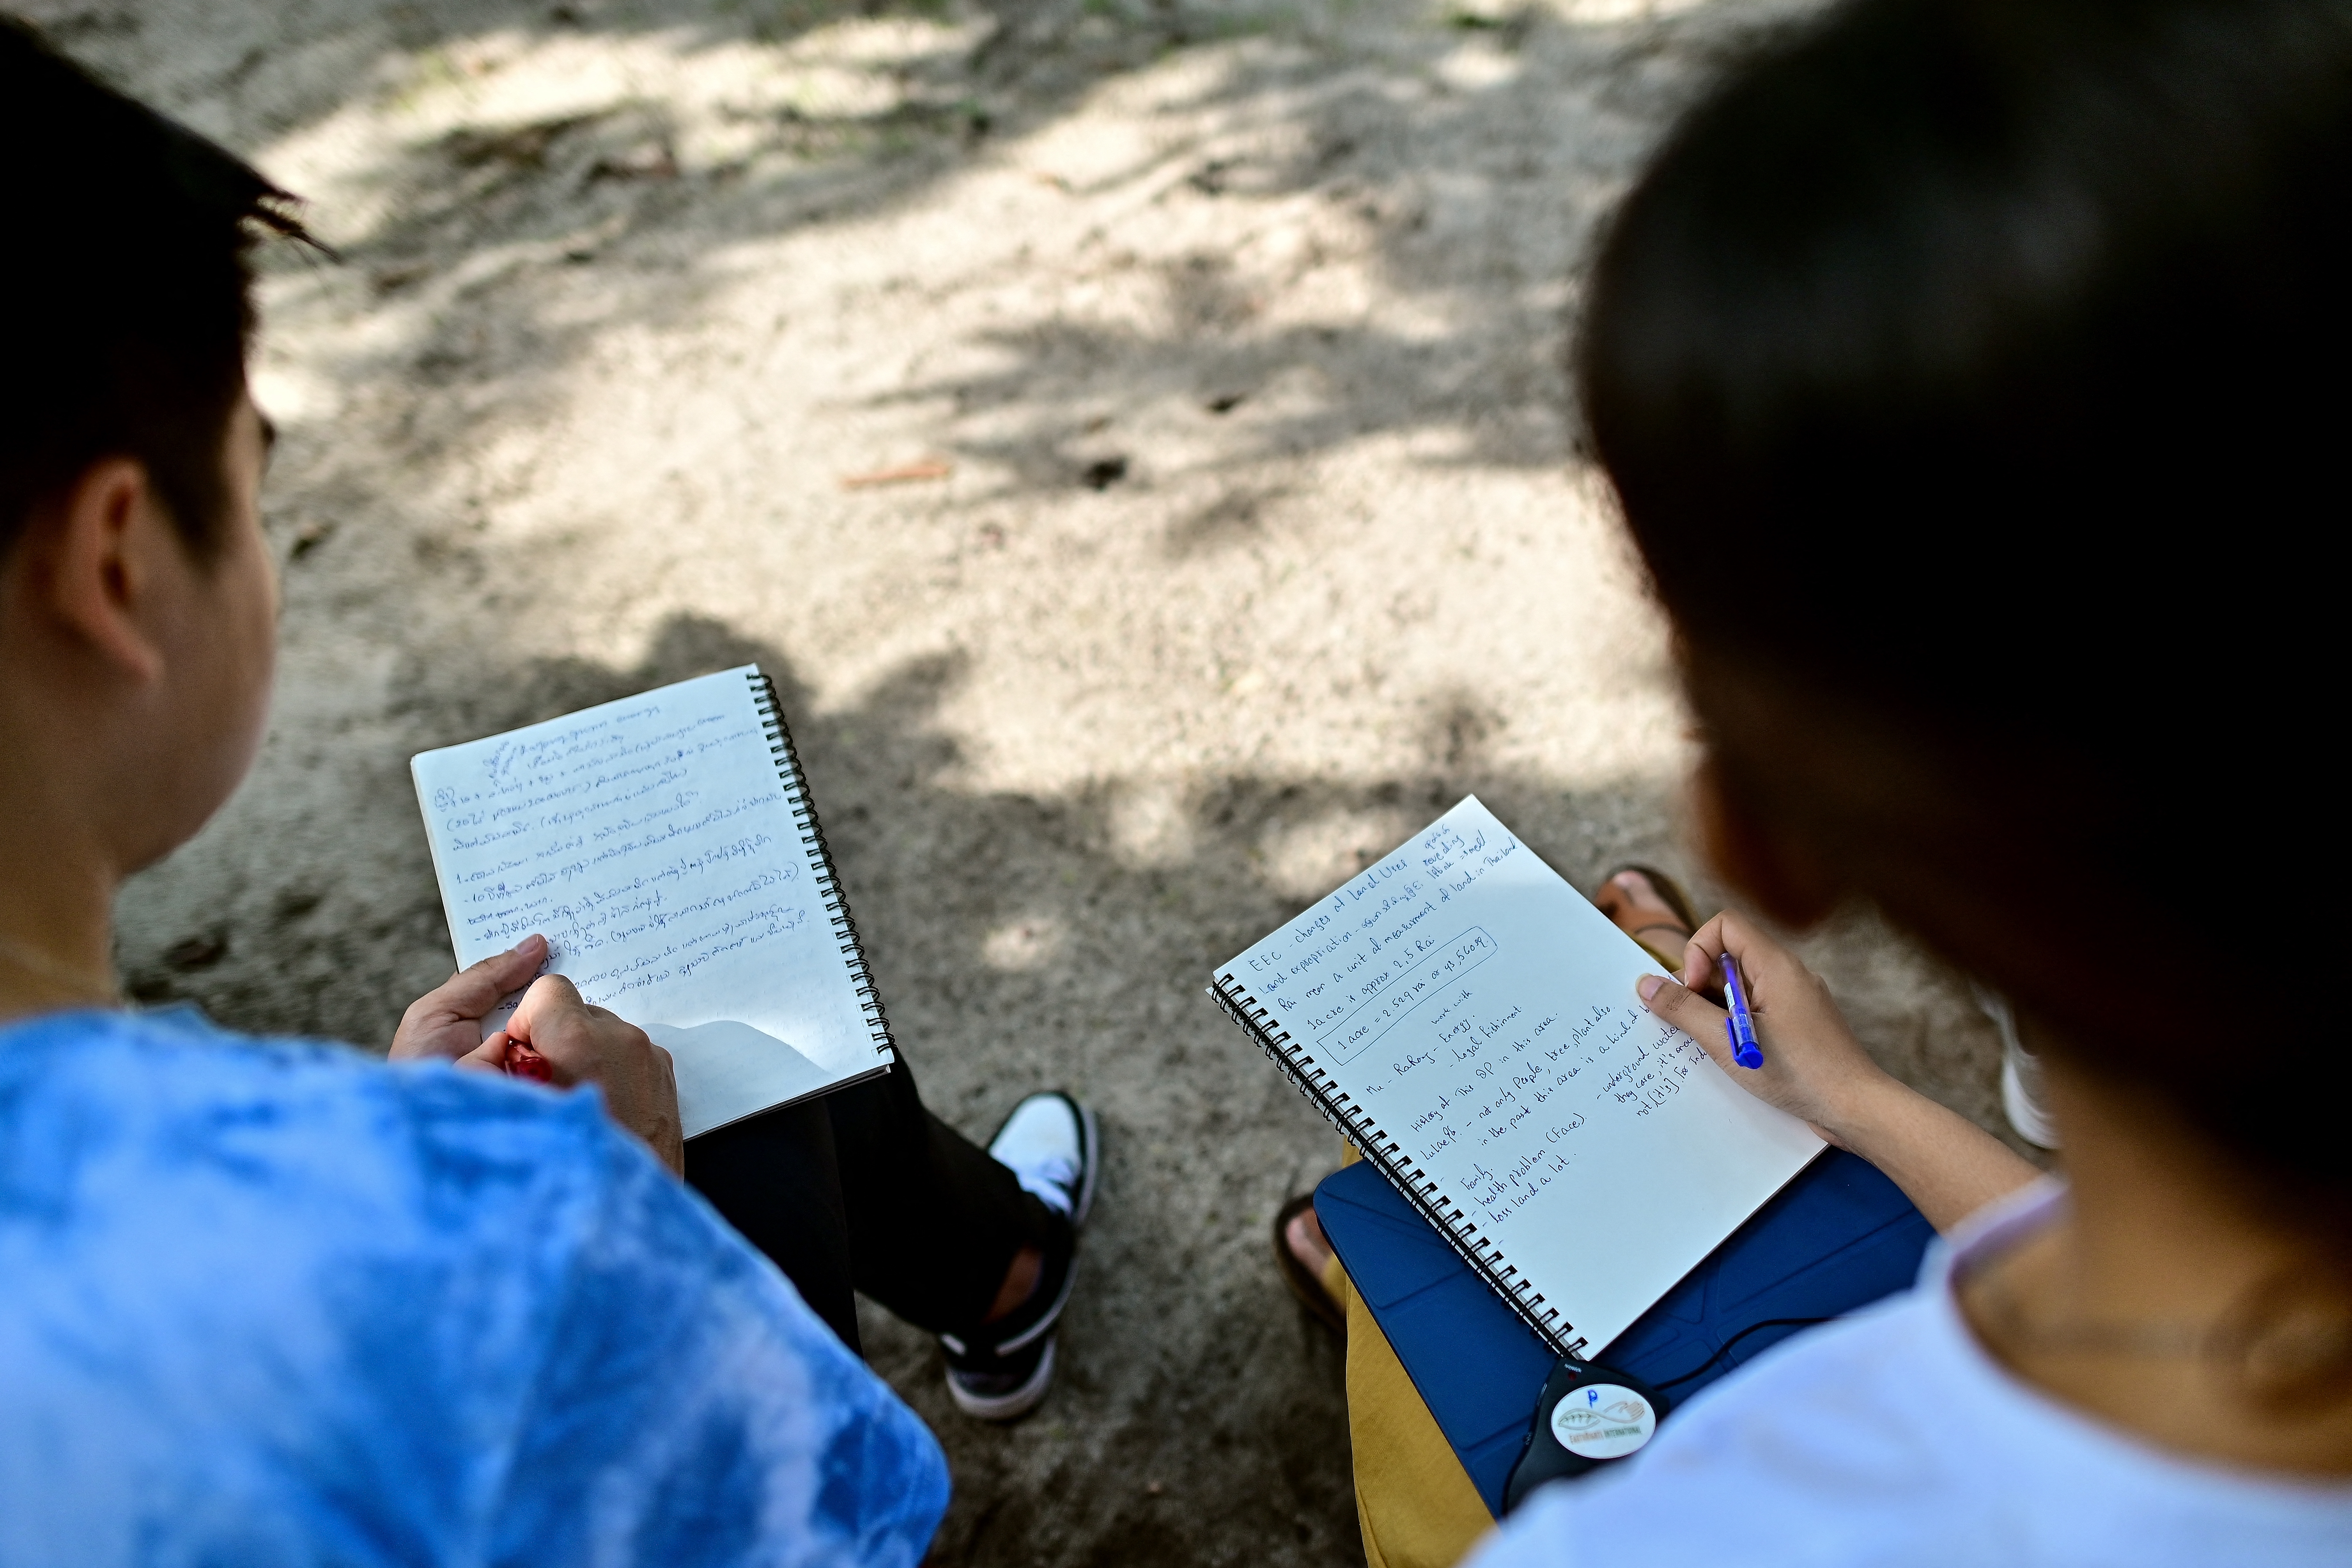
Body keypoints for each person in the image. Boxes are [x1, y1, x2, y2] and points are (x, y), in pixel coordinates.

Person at [0, 17, 1096, 1562]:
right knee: (705, 1062)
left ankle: (1004, 1269)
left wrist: (426, 1155)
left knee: (677, 1029)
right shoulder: (474, 1248)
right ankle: (1001, 1270)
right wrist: (612, 1231)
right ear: (117, 565)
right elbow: (844, 1529)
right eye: (253, 484)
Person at [1290, 0, 2352, 1562]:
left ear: (1760, 835)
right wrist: (1856, 1103)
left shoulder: (1691, 1531)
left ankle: (1346, 1273)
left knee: (1398, 1253)